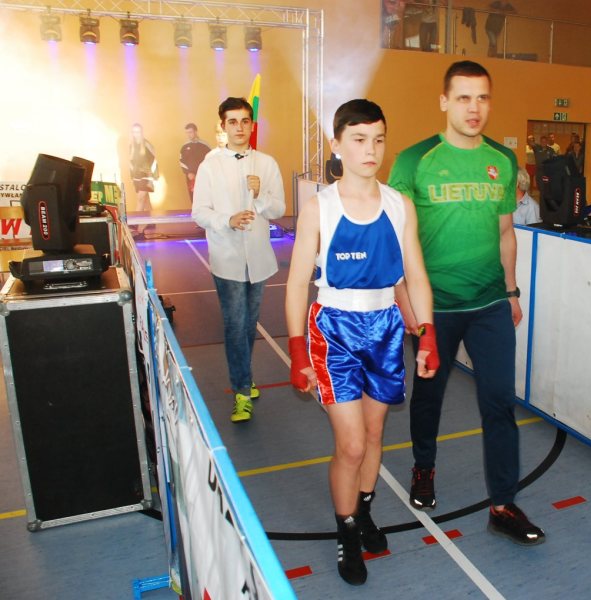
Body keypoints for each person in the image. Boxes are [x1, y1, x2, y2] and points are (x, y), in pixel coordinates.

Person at [388, 60, 545, 545]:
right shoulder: (414, 160)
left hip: (490, 303)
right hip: (434, 307)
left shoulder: (502, 160)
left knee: (500, 402)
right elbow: (396, 240)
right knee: (429, 397)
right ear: (444, 102)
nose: (474, 108)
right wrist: (406, 304)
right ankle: (424, 467)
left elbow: (505, 232)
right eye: (463, 98)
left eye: (482, 98)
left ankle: (503, 505)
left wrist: (512, 290)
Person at [285, 99, 438, 585]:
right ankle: (347, 530)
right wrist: (296, 350)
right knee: (350, 445)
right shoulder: (319, 208)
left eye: (378, 139)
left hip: (386, 327)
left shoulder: (399, 205)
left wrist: (428, 334)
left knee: (373, 436)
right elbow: (296, 283)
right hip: (334, 331)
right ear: (337, 145)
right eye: (358, 139)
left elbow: (415, 275)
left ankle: (364, 510)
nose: (371, 150)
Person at [191, 97, 285, 423]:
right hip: (226, 257)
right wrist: (227, 220)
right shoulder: (209, 166)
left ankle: (244, 376)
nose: (240, 127)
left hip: (258, 259)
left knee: (247, 325)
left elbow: (279, 209)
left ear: (252, 125)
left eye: (245, 121)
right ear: (223, 126)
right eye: (233, 121)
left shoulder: (267, 164)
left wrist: (260, 196)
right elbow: (199, 212)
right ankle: (242, 391)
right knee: (234, 325)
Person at [129, 123, 158, 237]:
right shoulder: (131, 146)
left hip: (146, 175)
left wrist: (153, 176)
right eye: (134, 132)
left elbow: (154, 160)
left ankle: (134, 224)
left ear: (141, 132)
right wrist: (132, 176)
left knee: (140, 199)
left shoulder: (146, 144)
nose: (136, 134)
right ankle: (152, 221)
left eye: (138, 131)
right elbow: (131, 162)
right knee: (146, 200)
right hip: (137, 177)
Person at [179, 123, 211, 204]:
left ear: (196, 132)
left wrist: (202, 174)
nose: (188, 135)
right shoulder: (184, 146)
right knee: (193, 198)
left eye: (190, 132)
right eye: (187, 133)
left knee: (205, 197)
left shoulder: (205, 145)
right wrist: (188, 173)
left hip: (203, 176)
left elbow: (210, 160)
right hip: (190, 177)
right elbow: (181, 161)